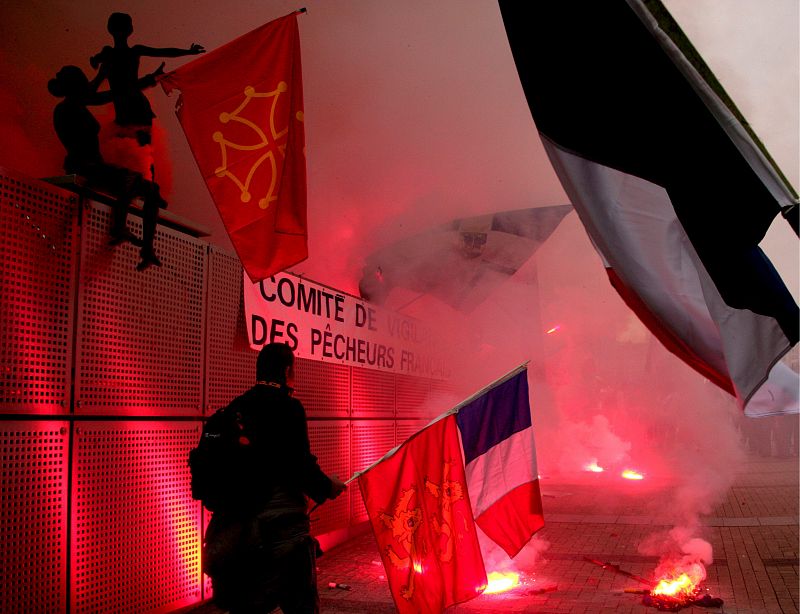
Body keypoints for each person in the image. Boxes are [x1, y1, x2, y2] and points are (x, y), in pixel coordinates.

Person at [204, 343, 347, 614]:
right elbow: (300, 463)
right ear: (287, 370)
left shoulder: (236, 408)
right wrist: (328, 486)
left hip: (240, 529)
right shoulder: (289, 408)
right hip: (284, 529)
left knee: (249, 604)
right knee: (300, 603)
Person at [48, 64, 166, 270]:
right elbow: (108, 94)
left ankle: (147, 248)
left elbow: (110, 92)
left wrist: (146, 79)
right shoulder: (66, 110)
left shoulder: (78, 105)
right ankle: (119, 226)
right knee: (131, 178)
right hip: (85, 165)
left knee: (152, 191)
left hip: (96, 165)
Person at [89, 12, 204, 146]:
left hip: (128, 108)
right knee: (139, 150)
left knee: (133, 149)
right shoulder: (127, 52)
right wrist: (188, 52)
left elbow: (163, 51)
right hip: (135, 106)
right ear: (129, 29)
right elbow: (162, 51)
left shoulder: (111, 55)